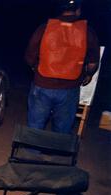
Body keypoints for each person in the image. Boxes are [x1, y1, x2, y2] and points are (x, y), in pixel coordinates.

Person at [25, 0, 100, 134]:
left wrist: (35, 67)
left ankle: (32, 152)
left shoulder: (45, 27)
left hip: (42, 83)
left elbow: (30, 54)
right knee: (63, 127)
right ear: (78, 10)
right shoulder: (87, 31)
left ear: (60, 9)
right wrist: (88, 74)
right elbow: (93, 63)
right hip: (70, 87)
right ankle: (56, 152)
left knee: (35, 123)